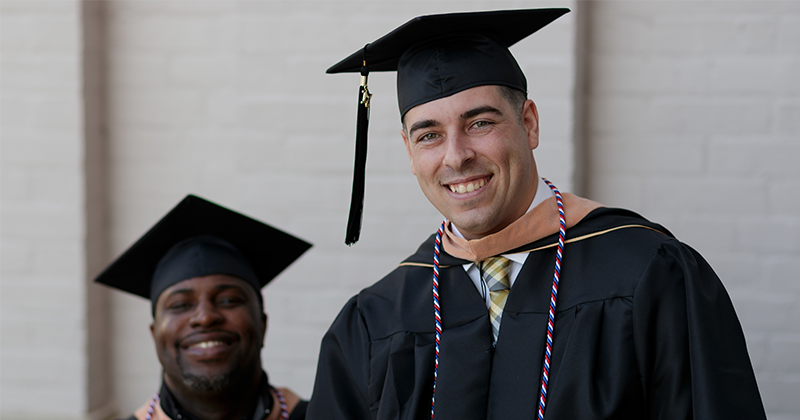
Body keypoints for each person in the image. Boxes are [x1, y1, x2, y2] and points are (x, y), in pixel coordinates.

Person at [306, 8, 767, 420]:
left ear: (529, 123)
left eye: (480, 123)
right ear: (409, 151)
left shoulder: (650, 275)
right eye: (429, 135)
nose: (456, 156)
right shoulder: (373, 322)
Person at [95, 194, 312, 420]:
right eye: (180, 305)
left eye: (228, 300)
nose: (205, 317)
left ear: (263, 324)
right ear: (154, 334)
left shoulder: (320, 415)